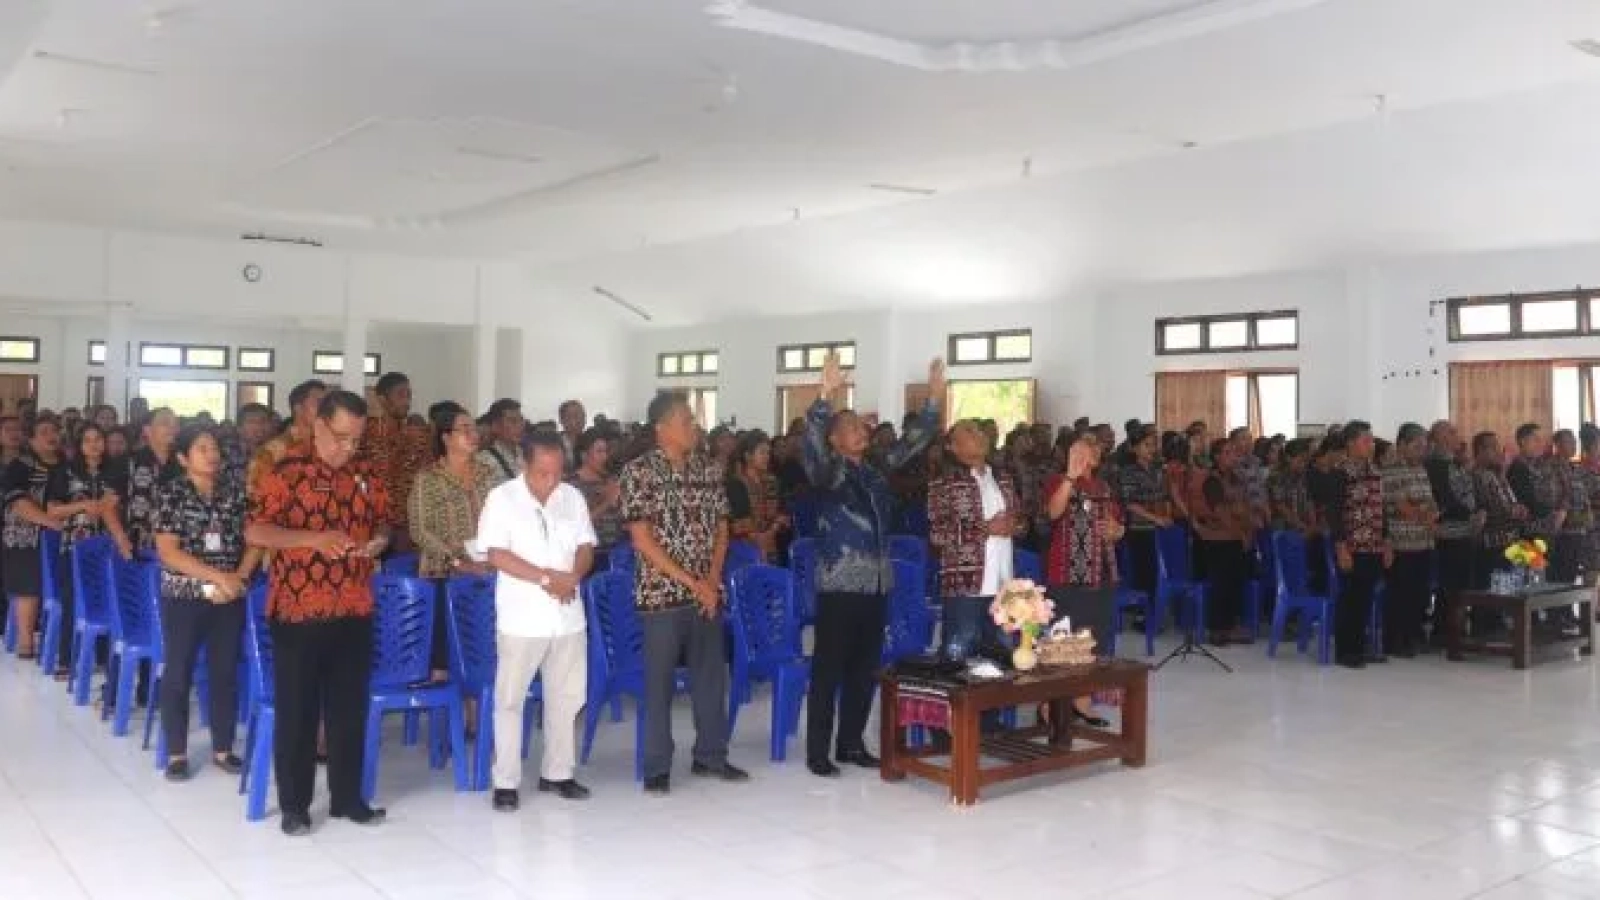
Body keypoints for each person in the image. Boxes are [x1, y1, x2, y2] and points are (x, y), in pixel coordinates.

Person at [247, 391, 390, 836]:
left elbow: (384, 522)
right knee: (299, 711)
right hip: (298, 610)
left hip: (354, 604)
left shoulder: (366, 473)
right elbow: (256, 528)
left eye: (357, 440)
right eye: (342, 437)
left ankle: (348, 799)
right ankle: (295, 805)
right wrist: (312, 539)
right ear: (320, 425)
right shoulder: (286, 470)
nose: (349, 448)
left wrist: (379, 542)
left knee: (349, 709)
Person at [799, 351, 942, 777]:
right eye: (850, 428)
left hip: (877, 582)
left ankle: (851, 743)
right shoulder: (827, 472)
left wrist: (932, 402)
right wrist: (825, 395)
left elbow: (912, 443)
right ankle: (818, 751)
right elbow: (810, 444)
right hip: (841, 583)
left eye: (862, 426)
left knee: (864, 669)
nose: (861, 432)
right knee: (829, 669)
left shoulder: (876, 469)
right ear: (834, 439)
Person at [620, 393, 746, 795]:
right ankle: (657, 765)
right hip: (661, 595)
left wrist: (709, 579)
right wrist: (693, 583)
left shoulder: (709, 470)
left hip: (705, 593)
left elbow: (722, 529)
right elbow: (641, 539)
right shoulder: (638, 472)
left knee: (711, 677)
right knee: (657, 684)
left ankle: (711, 755)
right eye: (686, 420)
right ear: (662, 427)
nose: (694, 427)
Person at [478, 432, 596, 811]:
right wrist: (549, 578)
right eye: (543, 473)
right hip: (522, 617)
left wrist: (573, 578)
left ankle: (558, 773)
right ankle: (506, 781)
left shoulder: (571, 497)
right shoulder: (502, 499)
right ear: (524, 466)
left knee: (567, 697)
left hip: (567, 616)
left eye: (557, 472)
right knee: (510, 700)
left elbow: (585, 546)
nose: (551, 480)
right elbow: (495, 554)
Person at [153, 425, 261, 782]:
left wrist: (240, 578)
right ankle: (177, 753)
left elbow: (256, 538)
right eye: (202, 449)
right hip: (186, 595)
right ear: (184, 458)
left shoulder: (233, 494)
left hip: (229, 594)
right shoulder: (170, 494)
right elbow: (169, 552)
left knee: (224, 671)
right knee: (179, 670)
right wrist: (217, 577)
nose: (211, 454)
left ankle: (223, 748)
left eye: (214, 448)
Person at [409, 402, 495, 681]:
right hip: (443, 573)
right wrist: (457, 562)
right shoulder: (429, 479)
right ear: (446, 438)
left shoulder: (487, 474)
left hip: (486, 569)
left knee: (483, 650)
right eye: (465, 429)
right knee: (447, 655)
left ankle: (477, 714)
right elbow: (420, 530)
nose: (473, 435)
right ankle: (451, 713)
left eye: (474, 429)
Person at [1042, 434, 1122, 724]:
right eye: (1073, 451)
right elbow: (1053, 512)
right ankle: (1049, 708)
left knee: (1093, 641)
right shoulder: (1058, 481)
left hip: (1100, 573)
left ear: (1096, 459)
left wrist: (1117, 531)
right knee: (1064, 642)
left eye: (1084, 452)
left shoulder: (1103, 487)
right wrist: (1069, 478)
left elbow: (1117, 525)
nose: (1078, 457)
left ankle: (1082, 703)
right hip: (1067, 574)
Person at [45, 423, 132, 678]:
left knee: (108, 598)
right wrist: (83, 505)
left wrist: (106, 506)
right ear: (80, 445)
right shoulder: (66, 472)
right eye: (88, 440)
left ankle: (105, 657)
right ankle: (66, 658)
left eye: (98, 439)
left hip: (107, 546)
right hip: (75, 547)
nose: (94, 444)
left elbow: (120, 501)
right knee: (73, 600)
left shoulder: (117, 472)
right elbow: (52, 509)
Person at [1327, 421, 1390, 669]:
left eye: (1372, 440)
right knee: (1351, 598)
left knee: (1365, 598)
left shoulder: (1375, 471)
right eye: (1366, 440)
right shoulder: (1340, 472)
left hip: (1374, 544)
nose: (1371, 445)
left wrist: (1387, 542)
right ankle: (1346, 650)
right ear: (1351, 443)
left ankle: (1360, 646)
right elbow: (1334, 513)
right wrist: (1341, 546)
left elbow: (1381, 509)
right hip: (1352, 545)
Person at [1, 417, 63, 659]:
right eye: (44, 432)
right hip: (24, 535)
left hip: (60, 536)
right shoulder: (21, 465)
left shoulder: (66, 465)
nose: (51, 436)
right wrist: (50, 522)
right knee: (29, 585)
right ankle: (26, 641)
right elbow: (17, 502)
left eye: (54, 431)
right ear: (32, 439)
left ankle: (57, 639)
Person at [1382, 424, 1438, 658]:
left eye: (1424, 446)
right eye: (1417, 446)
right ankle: (1396, 641)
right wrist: (1423, 516)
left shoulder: (1422, 470)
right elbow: (1399, 505)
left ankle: (1414, 635)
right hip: (1401, 542)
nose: (1422, 450)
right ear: (1402, 445)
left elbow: (1431, 501)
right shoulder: (1390, 471)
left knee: (1419, 593)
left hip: (1423, 540)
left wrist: (1432, 515)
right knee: (1400, 594)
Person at [1191, 438, 1253, 645]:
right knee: (1221, 584)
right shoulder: (1212, 480)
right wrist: (1240, 531)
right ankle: (1217, 628)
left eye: (1234, 452)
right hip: (1217, 539)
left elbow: (1244, 507)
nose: (1233, 457)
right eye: (1227, 453)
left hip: (1237, 537)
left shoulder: (1236, 478)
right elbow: (1220, 512)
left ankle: (1231, 624)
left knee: (1236, 582)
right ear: (1216, 457)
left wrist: (1246, 528)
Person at [1425, 421, 1481, 644]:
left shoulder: (1454, 463)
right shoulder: (1437, 464)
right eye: (1452, 432)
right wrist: (1471, 513)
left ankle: (1454, 627)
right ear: (1440, 438)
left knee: (1460, 583)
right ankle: (1445, 631)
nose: (1458, 435)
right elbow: (1446, 498)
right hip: (1449, 531)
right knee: (1450, 585)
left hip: (1464, 530)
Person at [362, 372, 429, 555]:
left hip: (408, 524)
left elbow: (424, 474)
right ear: (382, 399)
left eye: (409, 395)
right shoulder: (366, 432)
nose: (407, 401)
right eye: (400, 395)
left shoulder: (416, 434)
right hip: (373, 523)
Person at [1114, 425, 1170, 600]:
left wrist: (1165, 516)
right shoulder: (1128, 472)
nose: (1152, 449)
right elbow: (1129, 504)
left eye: (1154, 445)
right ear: (1135, 448)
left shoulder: (1158, 470)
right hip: (1139, 529)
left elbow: (1164, 496)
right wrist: (1156, 518)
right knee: (1144, 572)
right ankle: (1143, 614)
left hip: (1158, 528)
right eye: (1147, 445)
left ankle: (1157, 610)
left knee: (1159, 572)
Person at [248, 380, 326, 497]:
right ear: (298, 408)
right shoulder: (271, 451)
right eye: (319, 403)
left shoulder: (327, 448)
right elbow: (256, 495)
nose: (326, 410)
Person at [725, 431, 787, 562]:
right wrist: (760, 539)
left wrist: (771, 531)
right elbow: (739, 524)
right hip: (744, 549)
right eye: (762, 452)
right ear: (748, 456)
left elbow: (781, 513)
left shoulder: (771, 481)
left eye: (768, 453)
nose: (767, 457)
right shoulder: (736, 484)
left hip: (771, 544)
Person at [125, 407, 180, 552]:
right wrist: (120, 539)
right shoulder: (130, 461)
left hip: (177, 545)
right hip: (139, 544)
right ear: (147, 430)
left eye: (175, 424)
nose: (172, 428)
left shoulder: (184, 462)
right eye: (165, 423)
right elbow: (109, 504)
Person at [568, 428, 624, 556]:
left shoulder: (611, 479)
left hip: (617, 550)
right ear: (583, 455)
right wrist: (607, 502)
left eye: (606, 451)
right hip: (591, 555)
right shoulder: (571, 485)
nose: (605, 456)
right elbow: (576, 525)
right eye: (599, 451)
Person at [1550, 428, 1590, 586]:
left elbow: (1582, 495)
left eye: (1575, 441)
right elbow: (1554, 500)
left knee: (1571, 576)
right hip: (1562, 532)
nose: (1574, 444)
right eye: (1569, 441)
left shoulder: (1575, 467)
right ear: (1558, 445)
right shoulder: (1551, 467)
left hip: (1578, 529)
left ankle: (1566, 610)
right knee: (1560, 577)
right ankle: (1558, 610)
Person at [478, 398, 526, 487]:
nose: (520, 425)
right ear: (495, 426)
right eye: (513, 421)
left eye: (521, 420)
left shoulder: (527, 454)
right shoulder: (484, 460)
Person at [558, 399, 586, 473]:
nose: (579, 419)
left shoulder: (591, 442)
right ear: (562, 420)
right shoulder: (553, 443)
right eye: (575, 415)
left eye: (582, 415)